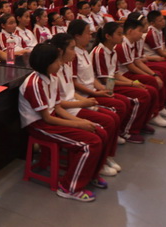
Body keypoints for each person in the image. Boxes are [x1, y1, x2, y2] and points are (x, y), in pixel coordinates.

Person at [19, 43, 107, 202]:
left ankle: (91, 174)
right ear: (46, 63)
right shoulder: (34, 84)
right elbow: (46, 118)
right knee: (90, 143)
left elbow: (58, 107)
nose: (60, 64)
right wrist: (78, 125)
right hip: (39, 126)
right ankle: (68, 188)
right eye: (57, 61)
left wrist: (82, 121)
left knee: (99, 130)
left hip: (52, 118)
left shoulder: (52, 77)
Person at [50, 33, 122, 177]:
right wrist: (83, 102)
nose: (74, 52)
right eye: (71, 48)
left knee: (113, 117)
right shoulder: (53, 70)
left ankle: (106, 157)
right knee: (106, 122)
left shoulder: (67, 64)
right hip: (67, 110)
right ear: (60, 51)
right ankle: (99, 164)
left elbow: (70, 92)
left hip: (75, 104)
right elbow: (58, 103)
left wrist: (87, 101)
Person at [68, 20, 130, 143]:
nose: (90, 35)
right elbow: (103, 79)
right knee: (120, 105)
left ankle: (117, 132)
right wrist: (102, 91)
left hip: (98, 88)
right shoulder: (92, 53)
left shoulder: (87, 51)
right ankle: (119, 132)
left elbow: (96, 77)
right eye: (87, 33)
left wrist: (104, 89)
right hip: (88, 93)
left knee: (125, 100)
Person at [92, 22, 153, 144]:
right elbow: (105, 80)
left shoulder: (113, 51)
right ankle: (126, 130)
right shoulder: (99, 52)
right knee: (138, 97)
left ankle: (140, 124)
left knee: (146, 89)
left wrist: (134, 83)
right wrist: (130, 85)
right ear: (108, 36)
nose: (122, 37)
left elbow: (116, 74)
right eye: (119, 34)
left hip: (112, 83)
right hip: (104, 86)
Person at [115, 18, 166, 127]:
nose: (142, 33)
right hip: (123, 76)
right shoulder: (121, 45)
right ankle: (152, 115)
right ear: (130, 31)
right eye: (140, 31)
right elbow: (129, 68)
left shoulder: (130, 43)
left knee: (155, 79)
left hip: (125, 75)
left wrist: (153, 75)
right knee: (149, 87)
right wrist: (136, 82)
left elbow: (137, 62)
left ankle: (154, 112)